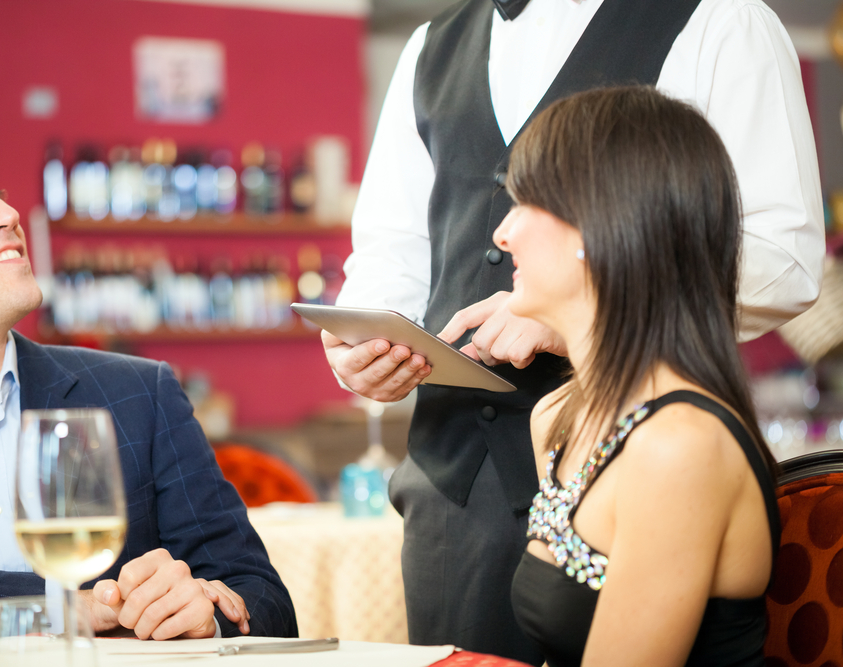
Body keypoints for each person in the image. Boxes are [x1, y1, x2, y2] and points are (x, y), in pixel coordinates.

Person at [324, 0, 821, 662]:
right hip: (457, 480)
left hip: (633, 431)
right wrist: (369, 338)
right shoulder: (430, 45)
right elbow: (392, 252)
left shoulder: (722, 19)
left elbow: (783, 260)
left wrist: (590, 307)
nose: (505, 229)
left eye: (532, 203)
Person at [0, 99, 297, 642]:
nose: (6, 214)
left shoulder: (140, 396)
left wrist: (208, 613)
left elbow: (262, 597)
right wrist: (58, 609)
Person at [504, 85, 778, 667]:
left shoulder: (679, 446)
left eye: (524, 205)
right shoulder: (555, 416)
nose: (503, 235)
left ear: (596, 227)